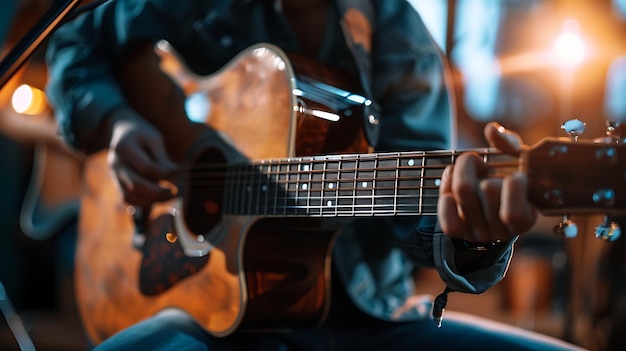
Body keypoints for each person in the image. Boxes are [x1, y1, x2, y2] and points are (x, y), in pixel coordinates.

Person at [44, 0, 585, 350]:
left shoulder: (399, 37)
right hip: (207, 315)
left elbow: (422, 216)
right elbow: (72, 46)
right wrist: (116, 123)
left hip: (366, 321)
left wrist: (474, 236)